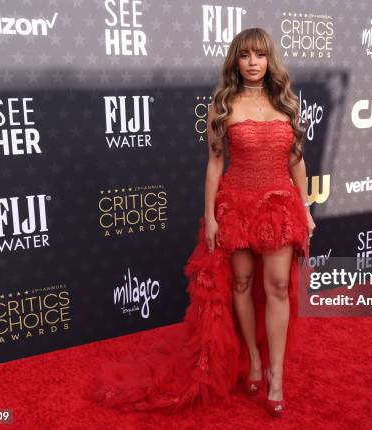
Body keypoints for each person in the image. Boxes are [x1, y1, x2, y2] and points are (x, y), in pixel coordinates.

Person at [89, 27, 315, 418]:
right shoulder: (223, 105)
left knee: (277, 287)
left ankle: (276, 376)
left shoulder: (286, 105)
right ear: (235, 62)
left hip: (278, 205)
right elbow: (214, 164)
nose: (252, 63)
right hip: (235, 206)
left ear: (269, 60)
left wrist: (306, 208)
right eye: (244, 56)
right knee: (241, 284)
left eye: (259, 55)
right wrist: (210, 215)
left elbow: (296, 160)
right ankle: (255, 362)